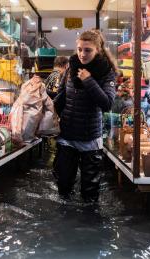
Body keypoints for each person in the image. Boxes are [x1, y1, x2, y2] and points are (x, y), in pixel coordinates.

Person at [53, 29, 118, 202]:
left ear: (98, 50)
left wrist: (88, 80)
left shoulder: (106, 72)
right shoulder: (71, 68)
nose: (82, 54)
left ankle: (90, 224)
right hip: (67, 135)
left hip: (90, 139)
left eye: (88, 50)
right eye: (80, 49)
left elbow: (107, 104)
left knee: (90, 194)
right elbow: (60, 98)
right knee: (63, 187)